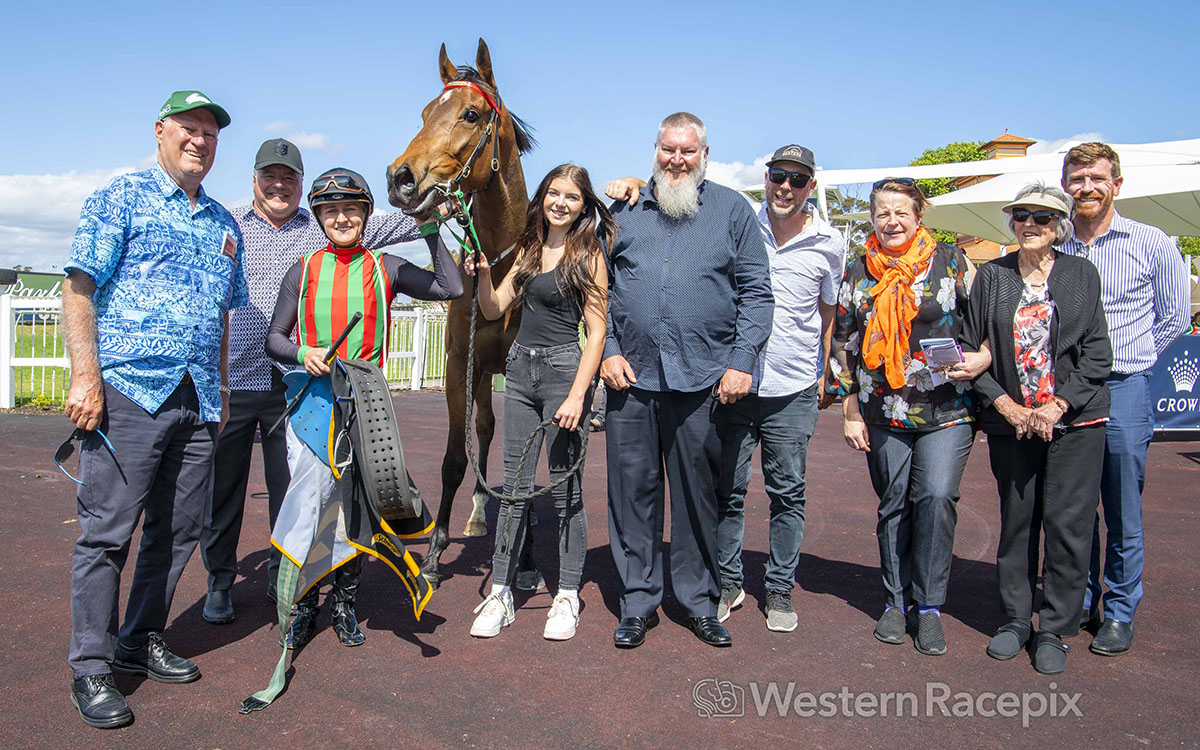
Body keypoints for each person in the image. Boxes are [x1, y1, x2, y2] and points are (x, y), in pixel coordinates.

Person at [61, 90, 247, 729]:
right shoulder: (123, 196)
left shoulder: (225, 223)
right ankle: (91, 666)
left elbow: (222, 318)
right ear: (162, 131)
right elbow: (79, 288)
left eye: (211, 133)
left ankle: (138, 640)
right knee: (110, 531)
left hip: (197, 396)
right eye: (190, 129)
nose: (201, 140)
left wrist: (218, 393)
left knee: (180, 530)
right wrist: (86, 379)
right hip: (128, 391)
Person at [199, 138, 422, 626]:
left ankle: (291, 580)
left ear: (302, 185)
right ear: (255, 179)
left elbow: (404, 216)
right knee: (223, 492)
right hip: (232, 380)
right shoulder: (226, 222)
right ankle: (219, 580)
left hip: (297, 388)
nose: (279, 186)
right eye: (270, 177)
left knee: (296, 494)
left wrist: (441, 198)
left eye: (289, 178)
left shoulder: (322, 225)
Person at [264, 168, 461, 648]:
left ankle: (345, 603)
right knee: (310, 510)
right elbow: (274, 338)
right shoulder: (303, 270)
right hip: (311, 407)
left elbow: (449, 288)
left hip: (365, 408)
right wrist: (301, 354)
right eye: (331, 211)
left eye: (352, 210)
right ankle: (303, 606)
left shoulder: (387, 266)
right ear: (319, 218)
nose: (342, 218)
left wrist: (433, 229)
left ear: (366, 215)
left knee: (354, 511)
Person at [601, 112, 774, 649]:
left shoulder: (731, 210)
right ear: (654, 149)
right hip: (631, 380)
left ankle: (700, 602)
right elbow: (595, 288)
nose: (677, 159)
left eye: (688, 151)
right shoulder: (625, 209)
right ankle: (637, 603)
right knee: (632, 495)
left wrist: (743, 360)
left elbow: (756, 291)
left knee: (700, 496)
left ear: (704, 154)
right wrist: (606, 350)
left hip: (703, 381)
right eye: (668, 149)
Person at [827, 177, 987, 656]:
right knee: (894, 501)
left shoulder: (954, 263)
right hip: (883, 407)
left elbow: (984, 326)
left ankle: (931, 606)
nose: (891, 221)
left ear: (920, 216)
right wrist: (849, 408)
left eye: (901, 212)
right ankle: (896, 602)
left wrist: (981, 358)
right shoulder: (859, 271)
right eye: (882, 213)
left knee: (935, 497)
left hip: (948, 406)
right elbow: (843, 344)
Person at [957, 183, 1111, 674]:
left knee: (1067, 525)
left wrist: (1056, 406)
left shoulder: (1081, 274)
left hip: (1074, 422)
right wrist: (1006, 406)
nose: (1030, 224)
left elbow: (1097, 354)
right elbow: (968, 349)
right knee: (1018, 521)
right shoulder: (992, 277)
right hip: (1012, 422)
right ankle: (1016, 619)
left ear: (1059, 226)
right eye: (1021, 215)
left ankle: (1056, 629)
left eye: (1042, 218)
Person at [463, 164, 614, 641]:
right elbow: (492, 309)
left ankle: (568, 594)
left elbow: (596, 333)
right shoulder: (528, 249)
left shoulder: (588, 254)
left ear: (583, 205)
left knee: (567, 493)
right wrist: (485, 274)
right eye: (554, 193)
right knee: (513, 490)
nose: (560, 203)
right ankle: (502, 591)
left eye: (571, 197)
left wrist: (576, 396)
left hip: (564, 373)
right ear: (543, 198)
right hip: (520, 372)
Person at [1057, 143, 1190, 655]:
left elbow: (1176, 316)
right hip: (1066, 393)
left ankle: (1118, 610)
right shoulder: (1055, 241)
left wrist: (1135, 358)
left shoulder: (1151, 242)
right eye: (1077, 177)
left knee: (1121, 507)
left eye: (1096, 177)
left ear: (1116, 184)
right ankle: (1078, 598)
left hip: (1122, 387)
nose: (1086, 186)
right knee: (1072, 507)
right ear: (1066, 183)